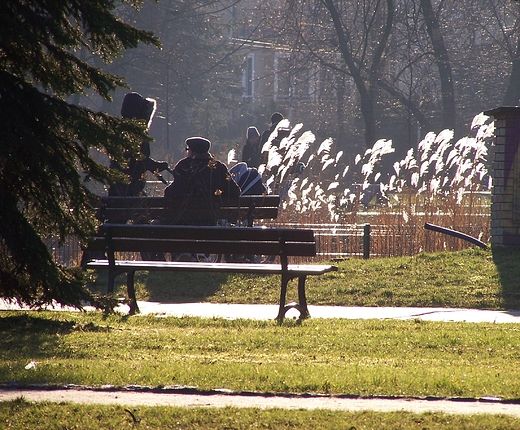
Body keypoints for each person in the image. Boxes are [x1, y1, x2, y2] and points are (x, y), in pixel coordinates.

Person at [164, 137, 241, 225]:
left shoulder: (184, 166)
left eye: (187, 149)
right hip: (211, 222)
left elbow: (172, 193)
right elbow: (235, 191)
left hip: (186, 223)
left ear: (192, 151)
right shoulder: (219, 167)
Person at [108, 92, 170, 197]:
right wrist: (152, 165)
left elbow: (136, 158)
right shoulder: (128, 132)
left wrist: (151, 165)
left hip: (126, 185)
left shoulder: (122, 130)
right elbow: (132, 159)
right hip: (126, 185)